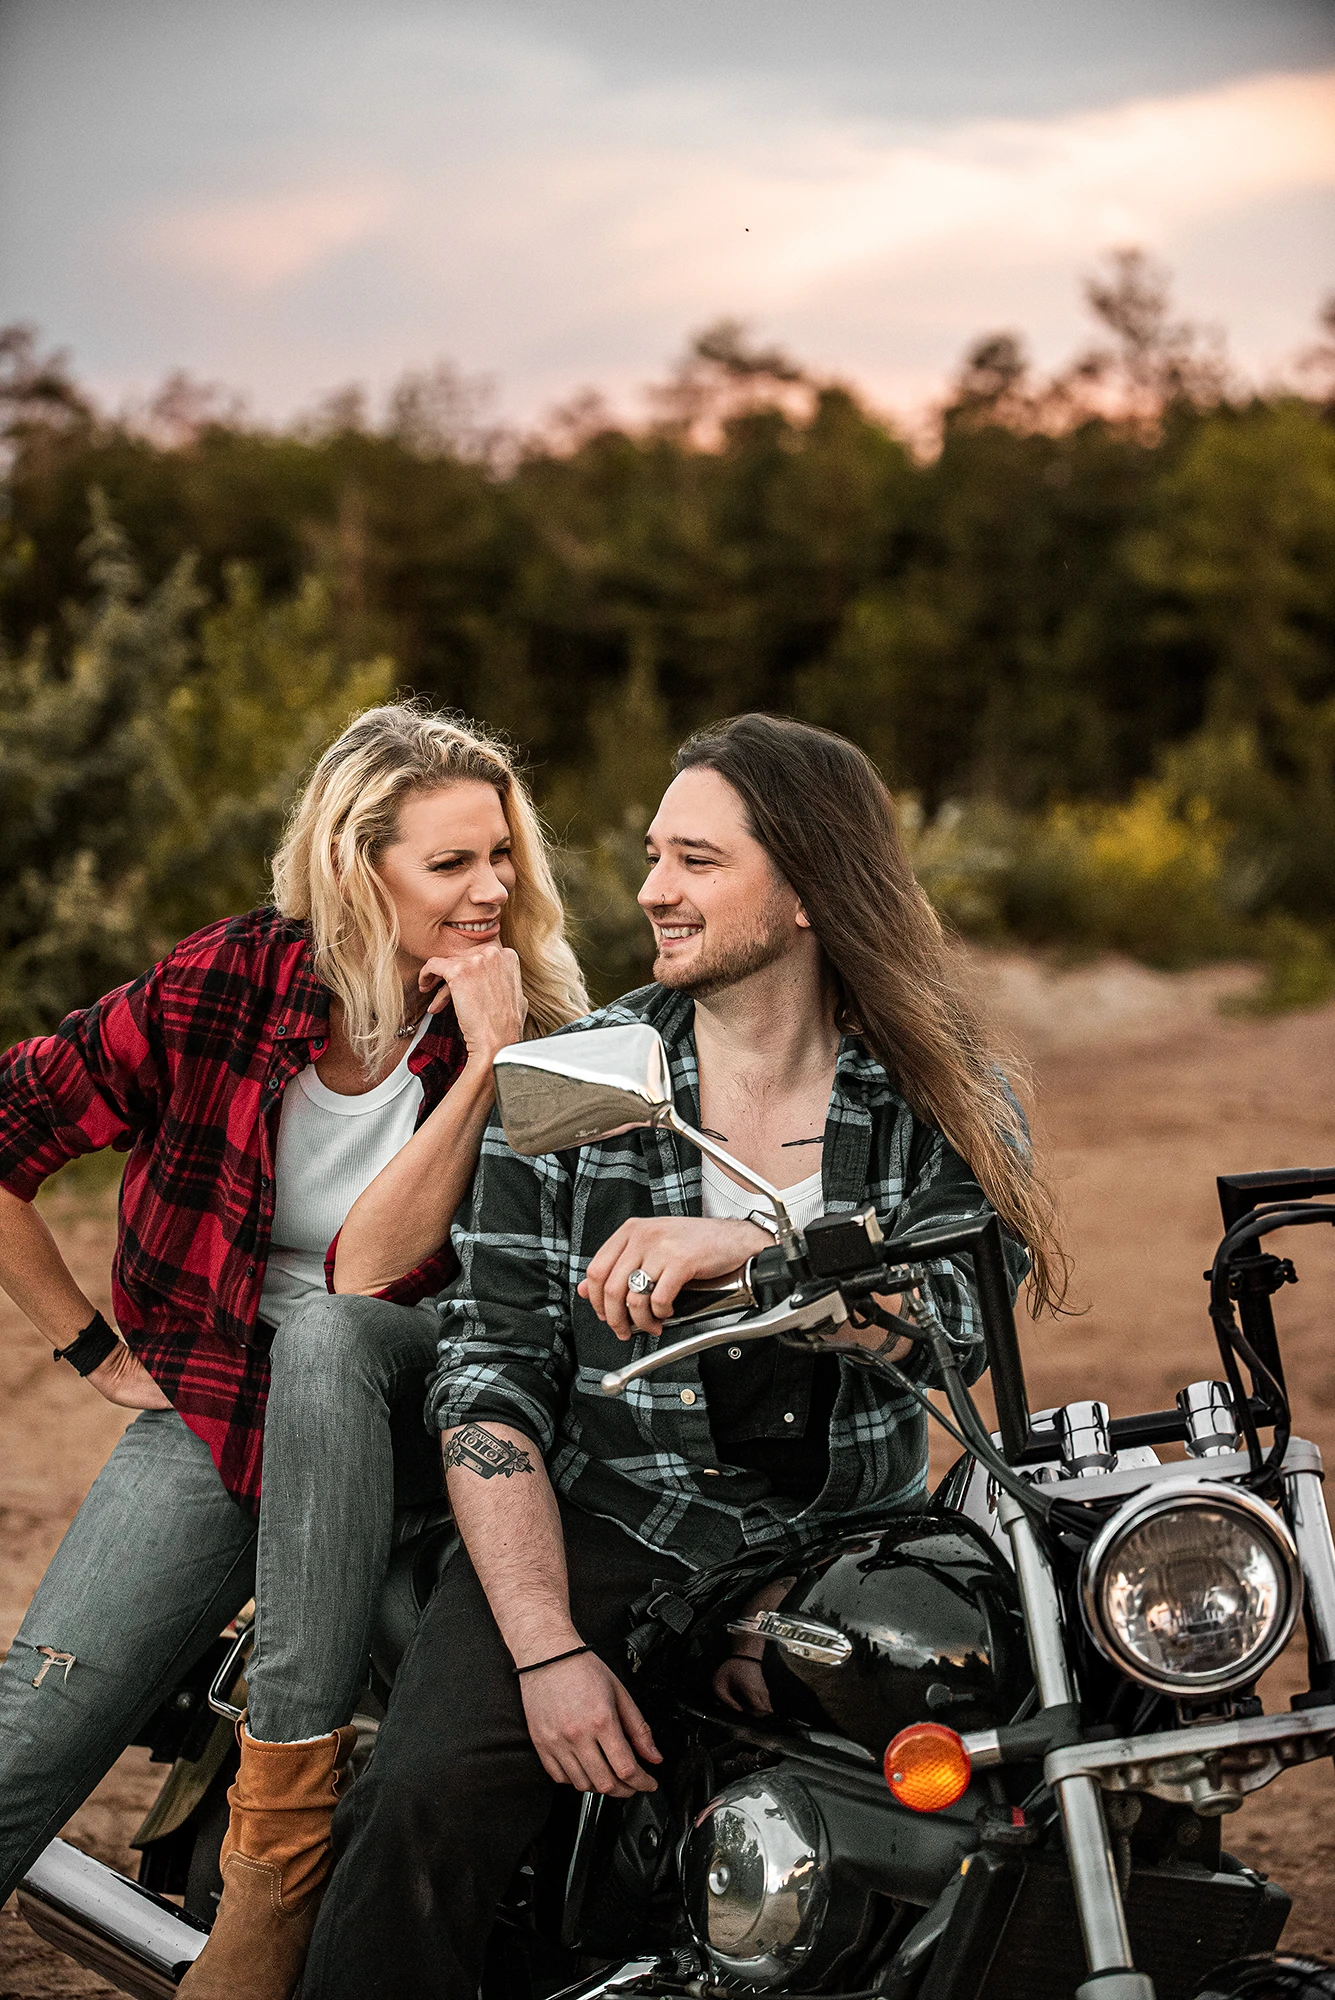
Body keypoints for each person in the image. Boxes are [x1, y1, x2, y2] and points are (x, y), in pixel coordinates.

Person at [301, 712, 1065, 1999]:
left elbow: (963, 1319)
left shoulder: (944, 1086)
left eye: (697, 861)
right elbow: (490, 1370)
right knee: (422, 1803)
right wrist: (544, 1650)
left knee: (1040, 1755)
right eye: (657, 854)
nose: (652, 889)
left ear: (815, 887)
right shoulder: (578, 1082)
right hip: (624, 1515)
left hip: (851, 1529)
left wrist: (763, 1248)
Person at [0, 703, 587, 2000]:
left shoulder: (537, 1022)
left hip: (422, 1402)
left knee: (456, 1765)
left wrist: (489, 1063)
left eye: (501, 854)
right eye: (450, 863)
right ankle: (265, 1874)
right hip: (221, 1397)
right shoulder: (223, 984)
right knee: (32, 1733)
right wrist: (88, 1346)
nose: (493, 887)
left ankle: (276, 1881)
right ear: (351, 868)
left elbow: (365, 1280)